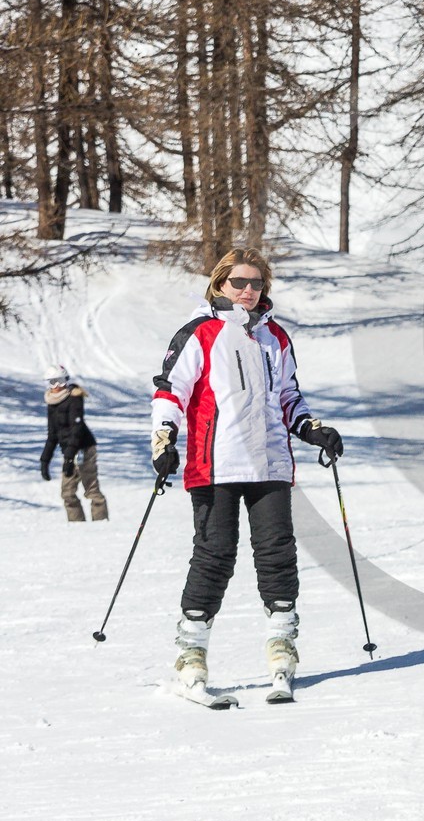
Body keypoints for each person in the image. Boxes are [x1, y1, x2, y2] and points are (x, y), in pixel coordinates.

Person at [151, 247, 343, 701]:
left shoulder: (275, 336)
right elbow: (171, 391)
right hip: (214, 463)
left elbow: (288, 395)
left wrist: (311, 428)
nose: (248, 290)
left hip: (270, 462)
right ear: (220, 284)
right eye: (238, 282)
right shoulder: (200, 332)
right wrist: (164, 439)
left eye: (256, 283)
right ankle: (191, 655)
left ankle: (282, 648)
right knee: (215, 554)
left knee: (277, 553)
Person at [40, 366, 109, 523]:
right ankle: (78, 527)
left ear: (66, 380)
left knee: (91, 489)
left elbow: (76, 430)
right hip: (69, 452)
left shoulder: (74, 398)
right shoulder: (51, 402)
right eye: (52, 382)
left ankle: (101, 523)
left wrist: (69, 458)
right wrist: (45, 460)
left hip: (84, 448)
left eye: (60, 381)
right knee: (67, 493)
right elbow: (52, 435)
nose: (57, 386)